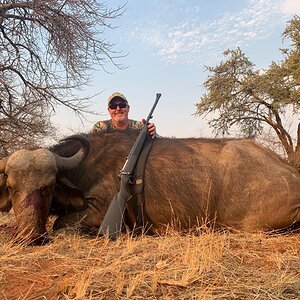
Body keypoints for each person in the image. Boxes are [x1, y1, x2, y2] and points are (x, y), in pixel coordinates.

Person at [92, 92, 156, 137]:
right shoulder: (100, 128)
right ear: (109, 111)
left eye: (122, 105)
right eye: (113, 106)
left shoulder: (141, 127)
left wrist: (151, 132)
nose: (118, 109)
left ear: (128, 108)